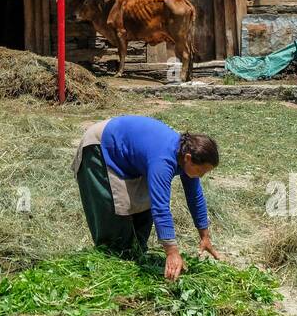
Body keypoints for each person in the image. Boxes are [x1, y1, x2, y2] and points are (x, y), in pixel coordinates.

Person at [71, 114, 220, 280]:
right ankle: (110, 267)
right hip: (102, 147)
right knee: (115, 224)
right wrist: (171, 252)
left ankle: (132, 257)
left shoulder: (185, 157)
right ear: (188, 159)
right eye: (203, 171)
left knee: (141, 218)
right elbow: (161, 207)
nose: (202, 175)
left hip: (132, 156)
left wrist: (204, 236)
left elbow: (195, 196)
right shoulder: (163, 160)